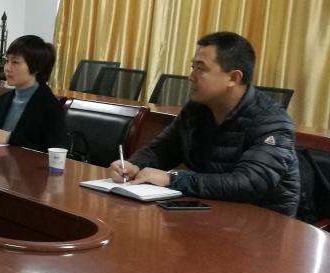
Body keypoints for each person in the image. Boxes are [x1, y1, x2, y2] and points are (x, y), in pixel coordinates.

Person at [109, 31, 300, 216]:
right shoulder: (196, 109)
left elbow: (248, 183)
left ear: (233, 78)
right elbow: (162, 150)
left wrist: (172, 179)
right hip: (211, 210)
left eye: (200, 69)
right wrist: (132, 166)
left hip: (264, 223)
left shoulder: (272, 121)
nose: (191, 76)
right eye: (193, 67)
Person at [0, 35, 67, 151]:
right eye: (7, 61)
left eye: (15, 62)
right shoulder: (4, 100)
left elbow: (55, 152)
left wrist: (10, 138)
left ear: (36, 67)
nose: (7, 68)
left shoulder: (50, 106)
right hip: (0, 161)